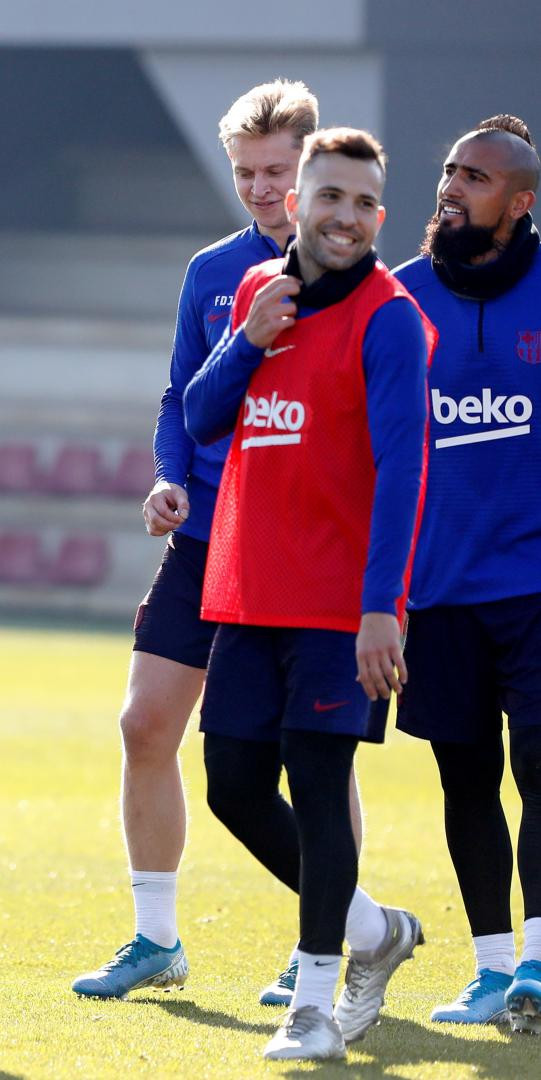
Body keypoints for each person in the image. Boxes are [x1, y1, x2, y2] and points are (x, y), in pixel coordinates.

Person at [72, 79, 363, 1006]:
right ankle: (154, 936)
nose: (261, 189)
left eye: (278, 171)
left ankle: (321, 941)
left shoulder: (362, 285)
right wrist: (166, 475)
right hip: (207, 532)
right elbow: (179, 398)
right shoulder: (212, 272)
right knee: (142, 723)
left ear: (315, 168)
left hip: (304, 548)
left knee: (316, 755)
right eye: (245, 173)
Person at [183, 127, 434, 1061]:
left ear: (379, 216)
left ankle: (314, 1006)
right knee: (232, 788)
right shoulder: (256, 293)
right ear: (294, 204)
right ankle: (374, 931)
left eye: (365, 204)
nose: (347, 218)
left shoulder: (391, 317)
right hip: (246, 592)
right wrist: (246, 342)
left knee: (319, 789)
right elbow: (205, 417)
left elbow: (403, 470)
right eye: (330, 198)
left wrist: (382, 606)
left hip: (337, 607)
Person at [392, 114, 541, 1033]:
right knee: (464, 779)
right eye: (449, 170)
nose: (451, 186)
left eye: (475, 177)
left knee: (540, 770)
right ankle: (490, 968)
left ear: (518, 203)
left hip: (532, 587)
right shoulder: (397, 298)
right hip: (437, 590)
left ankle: (536, 963)